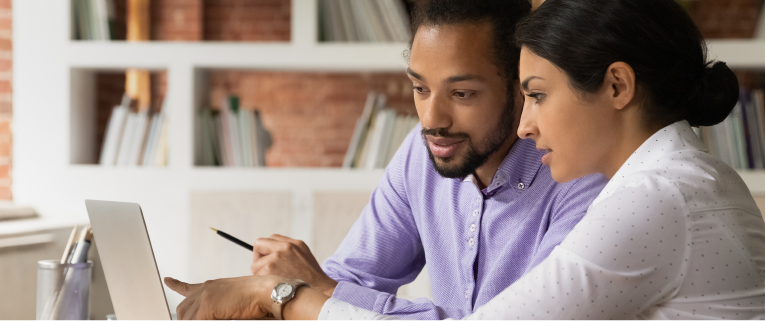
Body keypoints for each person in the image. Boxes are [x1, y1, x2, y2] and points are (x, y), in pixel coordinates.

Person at [165, 0, 765, 320]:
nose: (530, 124)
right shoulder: (673, 180)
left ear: (616, 87)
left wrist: (288, 299)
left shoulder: (652, 197)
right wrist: (303, 298)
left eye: (537, 95)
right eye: (420, 88)